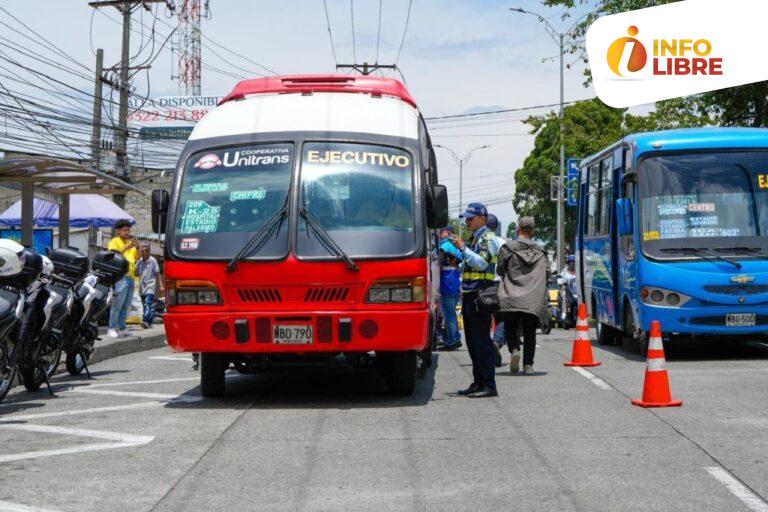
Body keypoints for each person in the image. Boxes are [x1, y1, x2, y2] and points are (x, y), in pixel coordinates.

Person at [452, 203, 500, 398]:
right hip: (470, 294)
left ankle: (489, 384)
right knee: (472, 342)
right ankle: (478, 382)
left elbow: (481, 263)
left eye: (471, 218)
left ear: (483, 218)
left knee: (481, 341)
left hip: (481, 296)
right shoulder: (476, 238)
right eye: (467, 218)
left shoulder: (488, 238)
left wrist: (463, 248)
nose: (468, 222)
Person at [496, 217, 549, 375]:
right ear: (532, 231)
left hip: (511, 295)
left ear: (518, 228)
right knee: (530, 332)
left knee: (511, 326)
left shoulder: (507, 248)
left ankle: (514, 350)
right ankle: (528, 366)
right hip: (533, 298)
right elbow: (547, 274)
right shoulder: (541, 252)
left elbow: (499, 270)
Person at [107, 219, 139, 338]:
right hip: (121, 276)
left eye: (128, 230)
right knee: (117, 304)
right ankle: (112, 328)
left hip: (130, 276)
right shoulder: (114, 241)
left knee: (126, 305)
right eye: (124, 230)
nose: (127, 232)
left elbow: (137, 257)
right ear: (118, 231)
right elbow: (113, 256)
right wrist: (128, 246)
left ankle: (122, 327)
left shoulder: (130, 243)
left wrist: (136, 247)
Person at [437, 226, 462, 351]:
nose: (440, 233)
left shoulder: (444, 246)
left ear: (449, 233)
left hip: (446, 283)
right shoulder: (457, 247)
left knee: (449, 314)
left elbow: (438, 265)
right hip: (455, 283)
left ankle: (452, 340)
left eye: (443, 231)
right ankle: (455, 337)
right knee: (452, 313)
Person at [487, 213, 507, 367]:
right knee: (501, 318)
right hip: (499, 285)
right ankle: (497, 342)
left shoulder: (480, 241)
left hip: (481, 286)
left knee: (481, 320)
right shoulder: (503, 243)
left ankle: (486, 351)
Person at [134, 244, 162, 329]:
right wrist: (138, 261)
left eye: (143, 252)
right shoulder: (140, 260)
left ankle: (145, 320)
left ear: (148, 252)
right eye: (141, 251)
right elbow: (135, 272)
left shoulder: (153, 260)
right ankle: (149, 322)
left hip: (150, 285)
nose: (141, 253)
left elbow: (158, 273)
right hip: (142, 286)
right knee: (144, 304)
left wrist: (161, 286)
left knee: (147, 302)